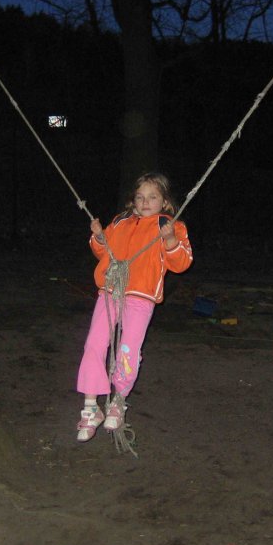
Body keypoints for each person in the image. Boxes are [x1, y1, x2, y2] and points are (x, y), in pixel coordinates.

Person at [76, 172, 193, 442]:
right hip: (110, 292)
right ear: (133, 200)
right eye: (140, 197)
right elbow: (103, 253)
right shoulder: (120, 221)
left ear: (164, 201)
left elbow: (181, 263)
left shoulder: (169, 225)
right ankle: (91, 407)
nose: (145, 202)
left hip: (141, 297)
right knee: (93, 344)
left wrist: (170, 240)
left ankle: (118, 400)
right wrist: (99, 238)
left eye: (152, 197)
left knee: (127, 350)